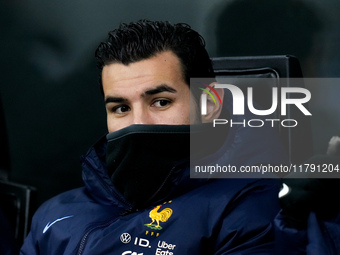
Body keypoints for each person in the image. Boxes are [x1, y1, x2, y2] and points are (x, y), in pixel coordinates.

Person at [21, 20, 287, 254]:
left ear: (210, 103)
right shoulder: (55, 213)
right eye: (121, 108)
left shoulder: (245, 207)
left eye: (160, 102)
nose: (139, 123)